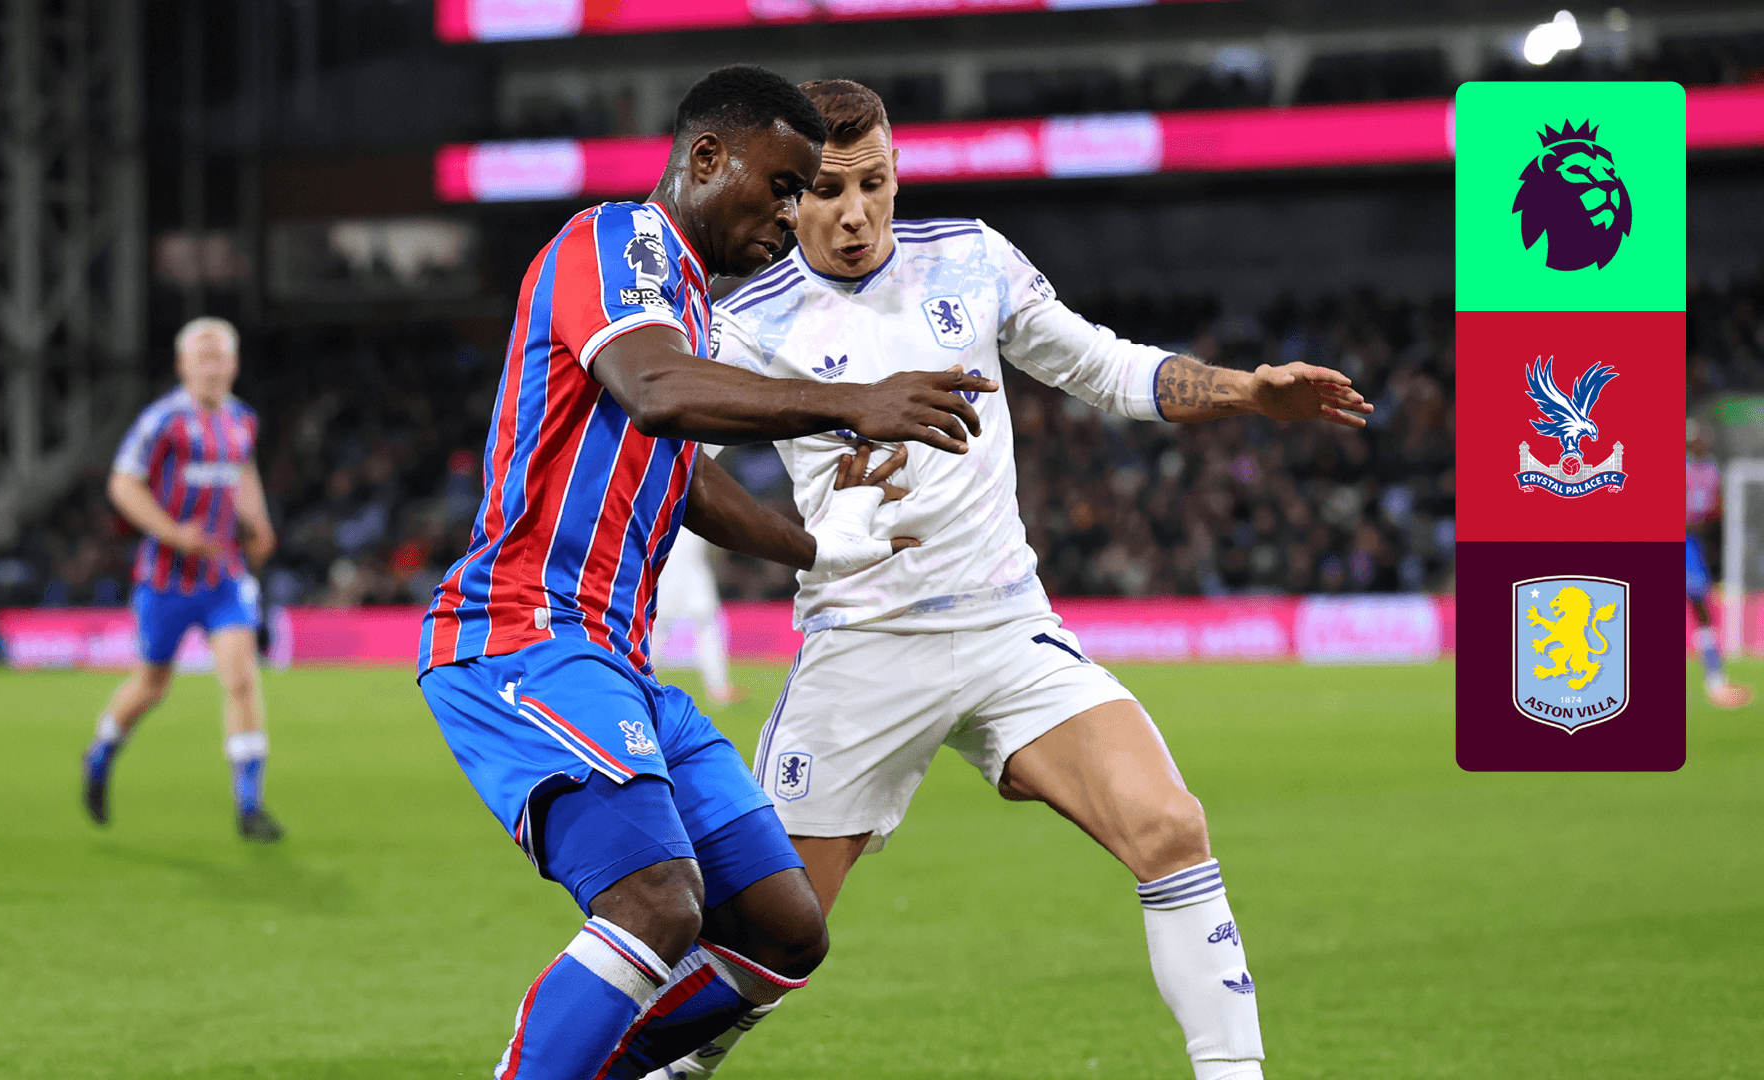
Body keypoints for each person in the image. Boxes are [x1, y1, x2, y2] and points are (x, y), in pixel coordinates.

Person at [655, 79, 1373, 1080]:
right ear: (791, 194)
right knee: (775, 928)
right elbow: (673, 463)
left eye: (874, 183)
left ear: (898, 175)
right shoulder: (746, 322)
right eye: (827, 190)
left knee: (1170, 826)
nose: (856, 212)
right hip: (864, 644)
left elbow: (1104, 369)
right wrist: (804, 547)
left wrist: (1246, 390)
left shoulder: (973, 258)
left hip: (1006, 630)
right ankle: (654, 1066)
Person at [415, 65, 996, 1079]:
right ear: (707, 157)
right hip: (522, 632)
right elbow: (654, 391)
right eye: (782, 187)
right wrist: (854, 400)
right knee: (656, 903)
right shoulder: (616, 241)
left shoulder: (684, 303)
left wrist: (821, 549)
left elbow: (682, 474)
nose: (791, 216)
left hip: (618, 661)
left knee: (785, 926)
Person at [81, 316, 283, 841]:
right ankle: (101, 752)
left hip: (223, 576)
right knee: (152, 686)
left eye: (220, 357)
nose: (211, 368)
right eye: (202, 358)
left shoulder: (241, 420)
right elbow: (123, 484)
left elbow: (243, 472)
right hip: (165, 580)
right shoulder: (163, 421)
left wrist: (259, 522)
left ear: (234, 365)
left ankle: (249, 806)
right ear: (182, 365)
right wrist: (173, 533)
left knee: (241, 680)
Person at [1686, 419, 1752, 708]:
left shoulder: (1711, 469)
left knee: (1702, 610)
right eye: (1698, 438)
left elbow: (1712, 508)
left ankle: (1716, 682)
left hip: (1692, 545)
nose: (1704, 442)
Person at [651, 517, 739, 705]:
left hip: (686, 568)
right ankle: (719, 690)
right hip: (672, 568)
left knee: (703, 625)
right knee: (658, 630)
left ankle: (719, 689)